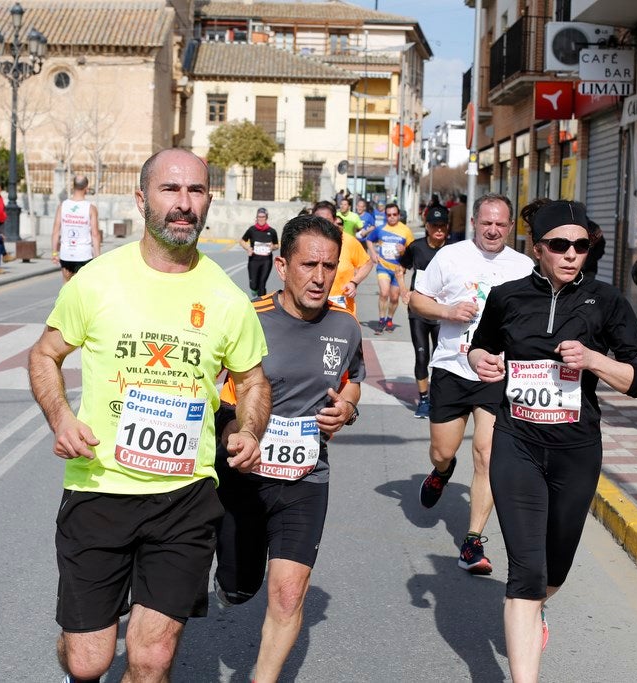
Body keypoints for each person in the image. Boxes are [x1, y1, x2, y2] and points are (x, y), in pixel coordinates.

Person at [27, 148, 271, 683]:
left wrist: (250, 429)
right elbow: (45, 354)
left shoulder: (227, 299)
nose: (184, 204)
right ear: (142, 199)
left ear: (208, 200)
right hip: (99, 488)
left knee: (152, 658)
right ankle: (78, 647)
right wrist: (61, 419)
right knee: (89, 660)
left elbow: (252, 381)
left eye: (196, 191)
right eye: (170, 190)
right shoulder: (95, 280)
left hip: (185, 498)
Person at [467, 200, 637, 681]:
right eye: (560, 245)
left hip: (576, 452)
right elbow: (482, 346)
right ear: (538, 249)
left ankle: (535, 611)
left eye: (581, 246)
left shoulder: (607, 301)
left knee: (553, 572)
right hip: (516, 442)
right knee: (526, 573)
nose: (573, 254)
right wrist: (479, 361)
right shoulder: (508, 296)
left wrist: (594, 360)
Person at [213, 214, 364, 683]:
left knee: (287, 594)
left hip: (306, 475)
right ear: (282, 265)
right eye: (308, 265)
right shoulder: (247, 318)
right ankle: (232, 582)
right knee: (240, 588)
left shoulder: (345, 326)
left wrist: (348, 410)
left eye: (330, 266)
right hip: (244, 473)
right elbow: (206, 393)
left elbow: (352, 381)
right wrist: (232, 435)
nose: (320, 277)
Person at [408, 193, 534, 574]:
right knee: (443, 450)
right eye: (486, 223)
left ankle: (473, 541)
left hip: (496, 371)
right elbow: (416, 300)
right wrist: (447, 310)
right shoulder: (450, 256)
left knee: (487, 455)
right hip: (451, 366)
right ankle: (442, 473)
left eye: (500, 224)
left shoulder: (524, 266)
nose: (493, 230)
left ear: (510, 227)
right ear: (475, 223)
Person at [397, 205, 448, 419]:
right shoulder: (416, 247)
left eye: (442, 226)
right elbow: (401, 268)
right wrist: (403, 291)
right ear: (427, 226)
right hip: (418, 310)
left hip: (442, 312)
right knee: (422, 356)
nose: (438, 230)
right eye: (434, 225)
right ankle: (424, 399)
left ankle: (439, 397)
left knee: (441, 357)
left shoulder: (453, 250)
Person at [313, 200, 373, 317]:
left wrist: (354, 282)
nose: (322, 225)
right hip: (312, 305)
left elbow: (367, 263)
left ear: (335, 220)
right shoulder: (305, 242)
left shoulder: (348, 241)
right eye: (318, 220)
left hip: (341, 307)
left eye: (327, 221)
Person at [364, 202, 414, 333]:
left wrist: (404, 250)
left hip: (398, 270)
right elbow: (369, 240)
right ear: (385, 215)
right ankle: (381, 320)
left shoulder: (405, 230)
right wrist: (373, 253)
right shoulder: (381, 229)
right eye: (389, 215)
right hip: (383, 267)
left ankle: (389, 319)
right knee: (384, 292)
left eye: (394, 214)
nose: (391, 217)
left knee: (394, 297)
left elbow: (412, 250)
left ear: (398, 215)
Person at [51, 174, 101, 282]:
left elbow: (55, 231)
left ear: (73, 186)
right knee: (81, 288)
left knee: (66, 287)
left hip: (66, 254)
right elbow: (95, 234)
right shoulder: (91, 208)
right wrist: (97, 257)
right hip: (83, 255)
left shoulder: (62, 206)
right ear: (86, 188)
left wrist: (54, 253)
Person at [240, 207, 279, 297]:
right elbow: (242, 241)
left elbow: (277, 245)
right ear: (256, 218)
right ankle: (254, 292)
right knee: (253, 285)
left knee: (262, 284)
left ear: (266, 218)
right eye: (259, 217)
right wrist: (248, 248)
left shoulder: (272, 231)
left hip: (266, 261)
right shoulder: (252, 230)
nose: (261, 219)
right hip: (254, 260)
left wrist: (272, 247)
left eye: (263, 217)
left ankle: (261, 305)